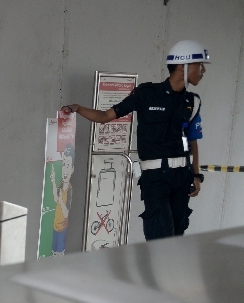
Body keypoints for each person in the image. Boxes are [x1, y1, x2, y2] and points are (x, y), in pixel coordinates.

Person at [62, 40, 209, 241]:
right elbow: (106, 116)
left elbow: (193, 140)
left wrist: (196, 175)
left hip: (181, 178)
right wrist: (78, 108)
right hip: (155, 179)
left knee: (177, 236)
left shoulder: (193, 102)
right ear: (184, 66)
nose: (203, 71)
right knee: (160, 238)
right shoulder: (147, 94)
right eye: (200, 65)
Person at [51, 144, 74, 255]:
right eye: (64, 164)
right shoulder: (60, 184)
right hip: (55, 227)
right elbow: (56, 198)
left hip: (62, 229)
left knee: (59, 254)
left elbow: (66, 214)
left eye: (68, 165)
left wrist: (61, 200)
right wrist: (53, 181)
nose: (65, 169)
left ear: (72, 169)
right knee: (53, 252)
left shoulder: (69, 189)